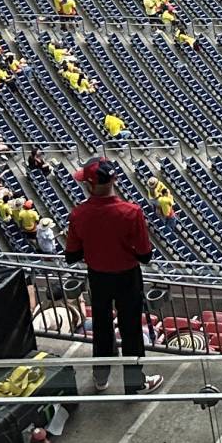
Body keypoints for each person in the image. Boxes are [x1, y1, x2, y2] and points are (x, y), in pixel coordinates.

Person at [62, 159, 158, 396]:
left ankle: (100, 376)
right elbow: (145, 255)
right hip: (127, 276)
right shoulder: (131, 212)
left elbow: (71, 254)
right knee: (131, 329)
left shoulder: (79, 214)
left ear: (90, 186)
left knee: (102, 327)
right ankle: (135, 384)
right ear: (114, 180)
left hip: (98, 277)